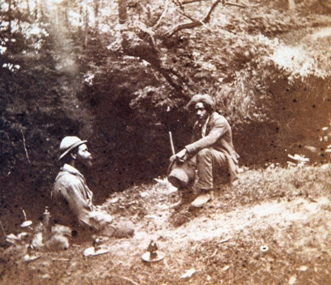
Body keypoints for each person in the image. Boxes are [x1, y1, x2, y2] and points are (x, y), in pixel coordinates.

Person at [51, 136, 134, 239]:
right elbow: (84, 219)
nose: (89, 154)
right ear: (73, 155)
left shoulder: (73, 177)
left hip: (81, 228)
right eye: (85, 151)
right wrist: (107, 220)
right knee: (127, 229)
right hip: (75, 234)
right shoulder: (69, 182)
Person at [171, 94, 239, 208]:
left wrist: (186, 149)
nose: (198, 113)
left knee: (203, 152)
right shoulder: (198, 125)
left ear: (209, 108)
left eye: (201, 109)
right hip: (208, 158)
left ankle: (206, 192)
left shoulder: (219, 121)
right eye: (196, 110)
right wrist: (183, 155)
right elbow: (194, 147)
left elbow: (210, 139)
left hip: (225, 159)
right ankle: (186, 193)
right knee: (183, 157)